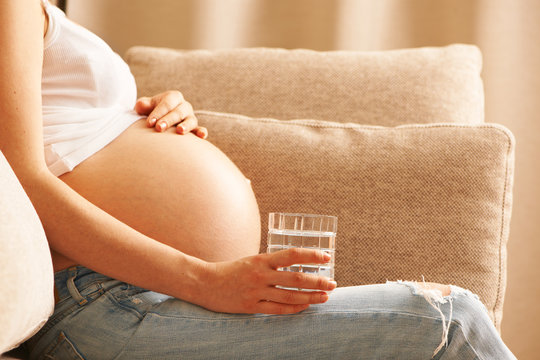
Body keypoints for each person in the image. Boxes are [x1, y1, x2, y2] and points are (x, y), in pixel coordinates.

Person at [0, 1, 516, 359]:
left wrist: (141, 114)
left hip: (142, 296)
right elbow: (23, 180)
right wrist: (204, 279)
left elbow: (56, 130)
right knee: (450, 321)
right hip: (106, 303)